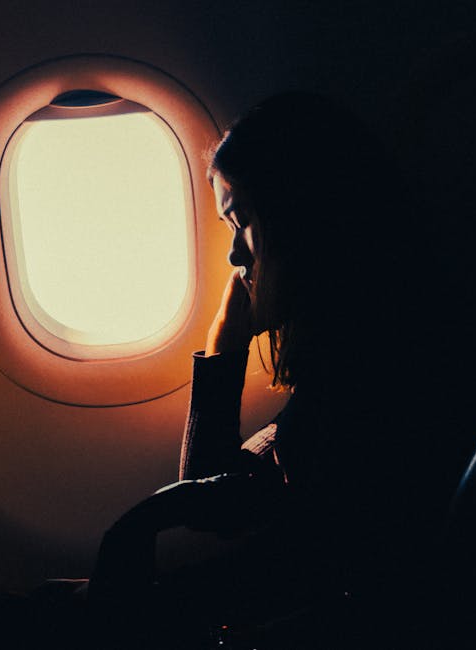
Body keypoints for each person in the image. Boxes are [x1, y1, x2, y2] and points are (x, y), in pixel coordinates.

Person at [84, 91, 439, 649]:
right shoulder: (341, 356)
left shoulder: (368, 373)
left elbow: (306, 559)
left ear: (300, 219)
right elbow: (215, 497)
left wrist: (156, 605)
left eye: (241, 221)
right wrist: (223, 347)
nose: (233, 256)